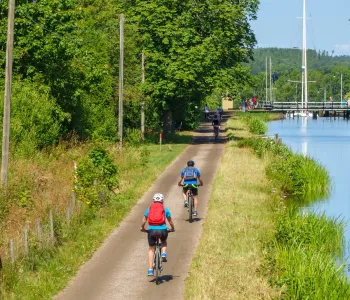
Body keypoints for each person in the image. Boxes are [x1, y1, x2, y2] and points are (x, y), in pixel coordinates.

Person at [141, 193, 175, 276]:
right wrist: (172, 228)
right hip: (162, 230)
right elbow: (170, 221)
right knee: (164, 241)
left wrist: (142, 228)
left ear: (153, 200)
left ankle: (150, 270)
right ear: (162, 201)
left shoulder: (149, 209)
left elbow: (143, 221)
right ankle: (163, 253)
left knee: (151, 249)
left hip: (151, 230)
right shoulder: (165, 209)